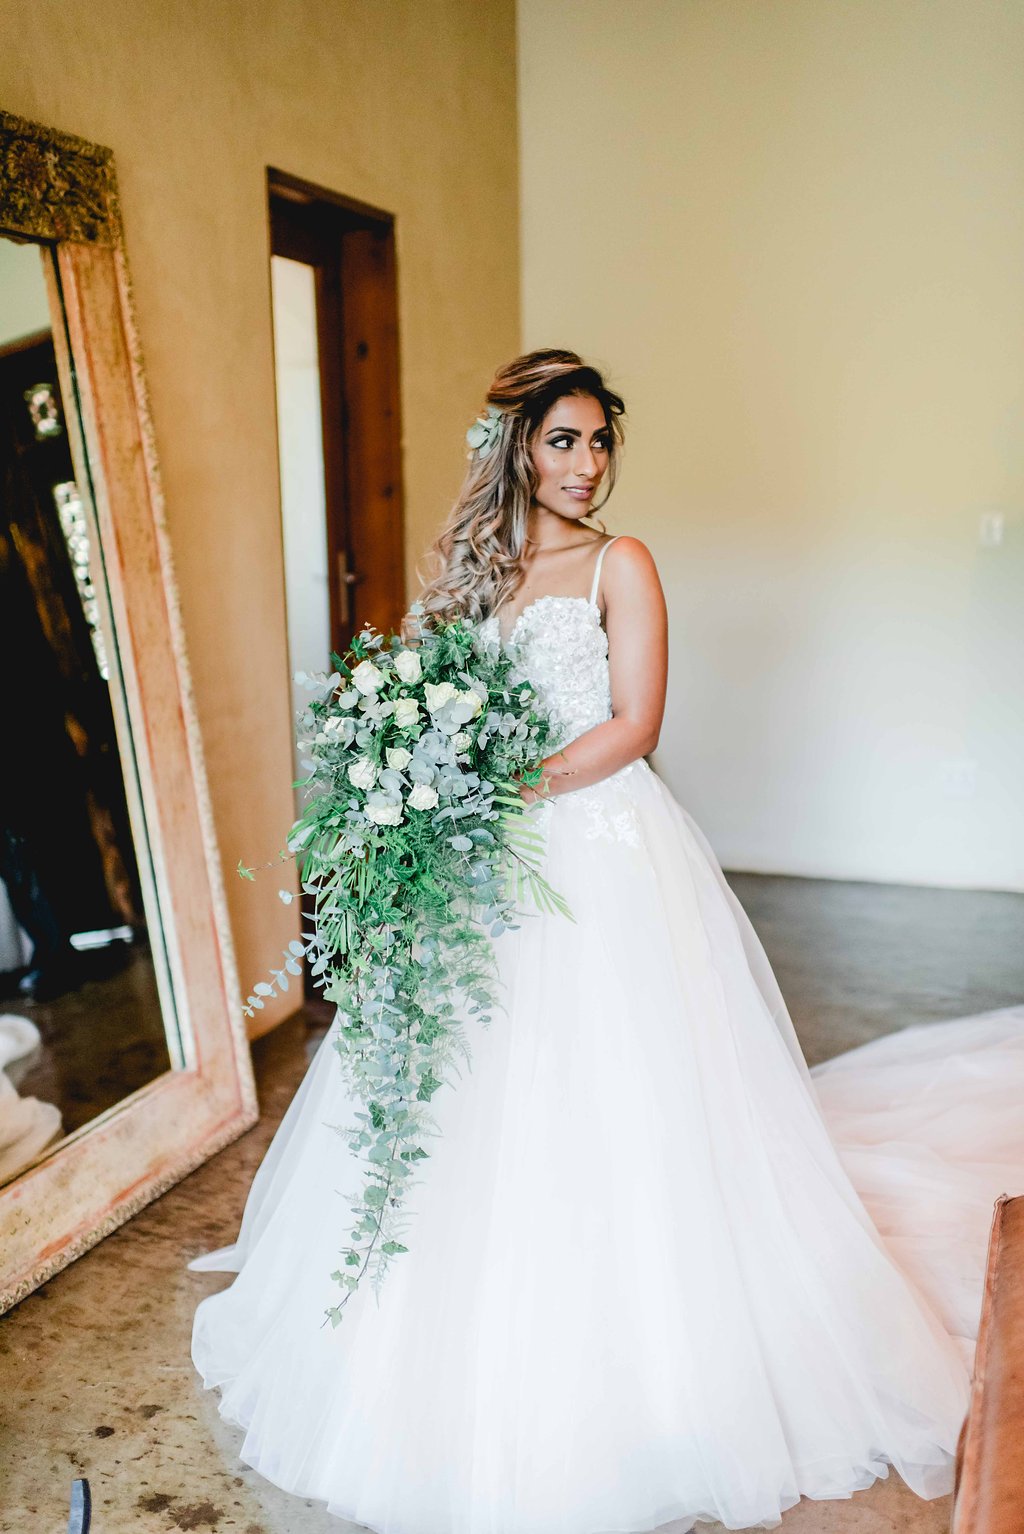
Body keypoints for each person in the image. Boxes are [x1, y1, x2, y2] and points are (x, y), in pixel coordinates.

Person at [190, 348, 1024, 1534]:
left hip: (602, 847)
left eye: (598, 441)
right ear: (516, 449)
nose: (585, 465)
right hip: (491, 860)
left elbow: (634, 724)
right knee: (463, 1084)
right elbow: (433, 696)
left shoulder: (620, 565)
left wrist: (500, 784)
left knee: (623, 1086)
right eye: (562, 440)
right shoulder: (474, 572)